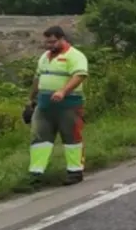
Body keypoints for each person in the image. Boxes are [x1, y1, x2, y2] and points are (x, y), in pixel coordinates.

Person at [26, 26, 89, 186]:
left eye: (53, 42)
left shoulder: (75, 56)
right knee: (39, 138)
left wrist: (63, 91)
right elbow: (37, 78)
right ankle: (36, 173)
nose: (50, 45)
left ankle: (75, 172)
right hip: (44, 106)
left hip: (69, 105)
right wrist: (30, 99)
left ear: (62, 39)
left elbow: (79, 75)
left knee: (71, 138)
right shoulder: (45, 57)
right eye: (47, 42)